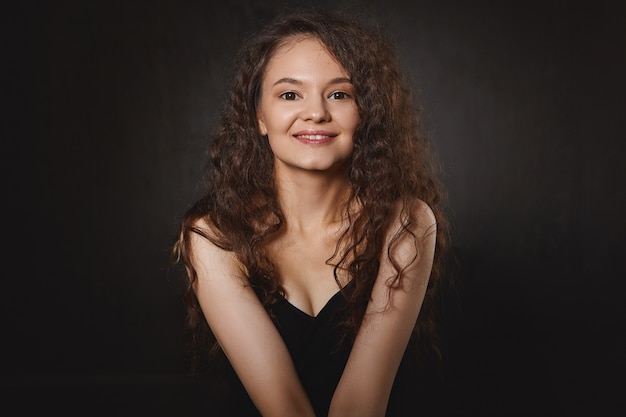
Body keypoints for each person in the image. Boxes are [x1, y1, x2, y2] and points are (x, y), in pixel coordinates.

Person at [173, 8, 449, 417]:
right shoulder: (213, 235)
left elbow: (360, 408)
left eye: (340, 94)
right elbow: (285, 409)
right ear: (259, 117)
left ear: (366, 111)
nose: (316, 112)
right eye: (289, 94)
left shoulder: (406, 225)